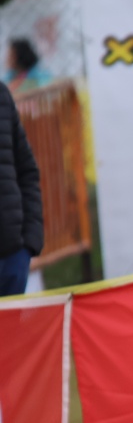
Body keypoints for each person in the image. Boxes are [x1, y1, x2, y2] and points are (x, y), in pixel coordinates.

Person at [0, 79, 43, 296]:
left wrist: (28, 243)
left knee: (12, 331)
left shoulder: (2, 96)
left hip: (12, 259)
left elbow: (27, 171)